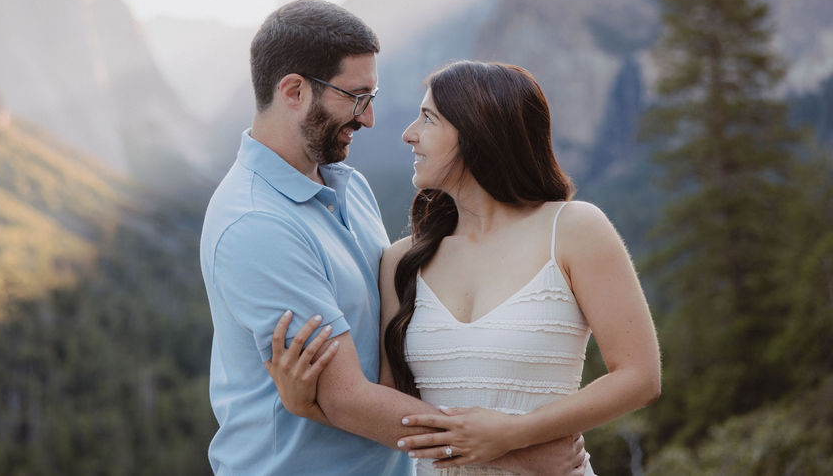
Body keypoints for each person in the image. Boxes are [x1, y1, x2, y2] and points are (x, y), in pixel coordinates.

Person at [200, 0, 588, 475]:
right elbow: (347, 398)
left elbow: (389, 344)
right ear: (295, 92)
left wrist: (310, 403)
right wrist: (521, 454)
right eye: (356, 96)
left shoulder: (349, 186)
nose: (368, 119)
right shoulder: (256, 224)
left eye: (372, 97)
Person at [267, 60, 661, 474]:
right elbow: (390, 408)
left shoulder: (573, 229)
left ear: (479, 132)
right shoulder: (401, 261)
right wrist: (309, 406)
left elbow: (639, 376)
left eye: (428, 118)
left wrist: (519, 432)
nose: (408, 134)